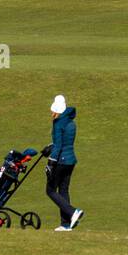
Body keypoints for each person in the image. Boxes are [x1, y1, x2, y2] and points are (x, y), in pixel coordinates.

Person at [44, 94, 83, 231]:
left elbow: (59, 145)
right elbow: (63, 143)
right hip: (70, 160)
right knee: (63, 190)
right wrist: (51, 146)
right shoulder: (71, 123)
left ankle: (73, 212)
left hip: (60, 160)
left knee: (50, 190)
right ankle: (66, 224)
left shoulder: (58, 123)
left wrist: (50, 162)